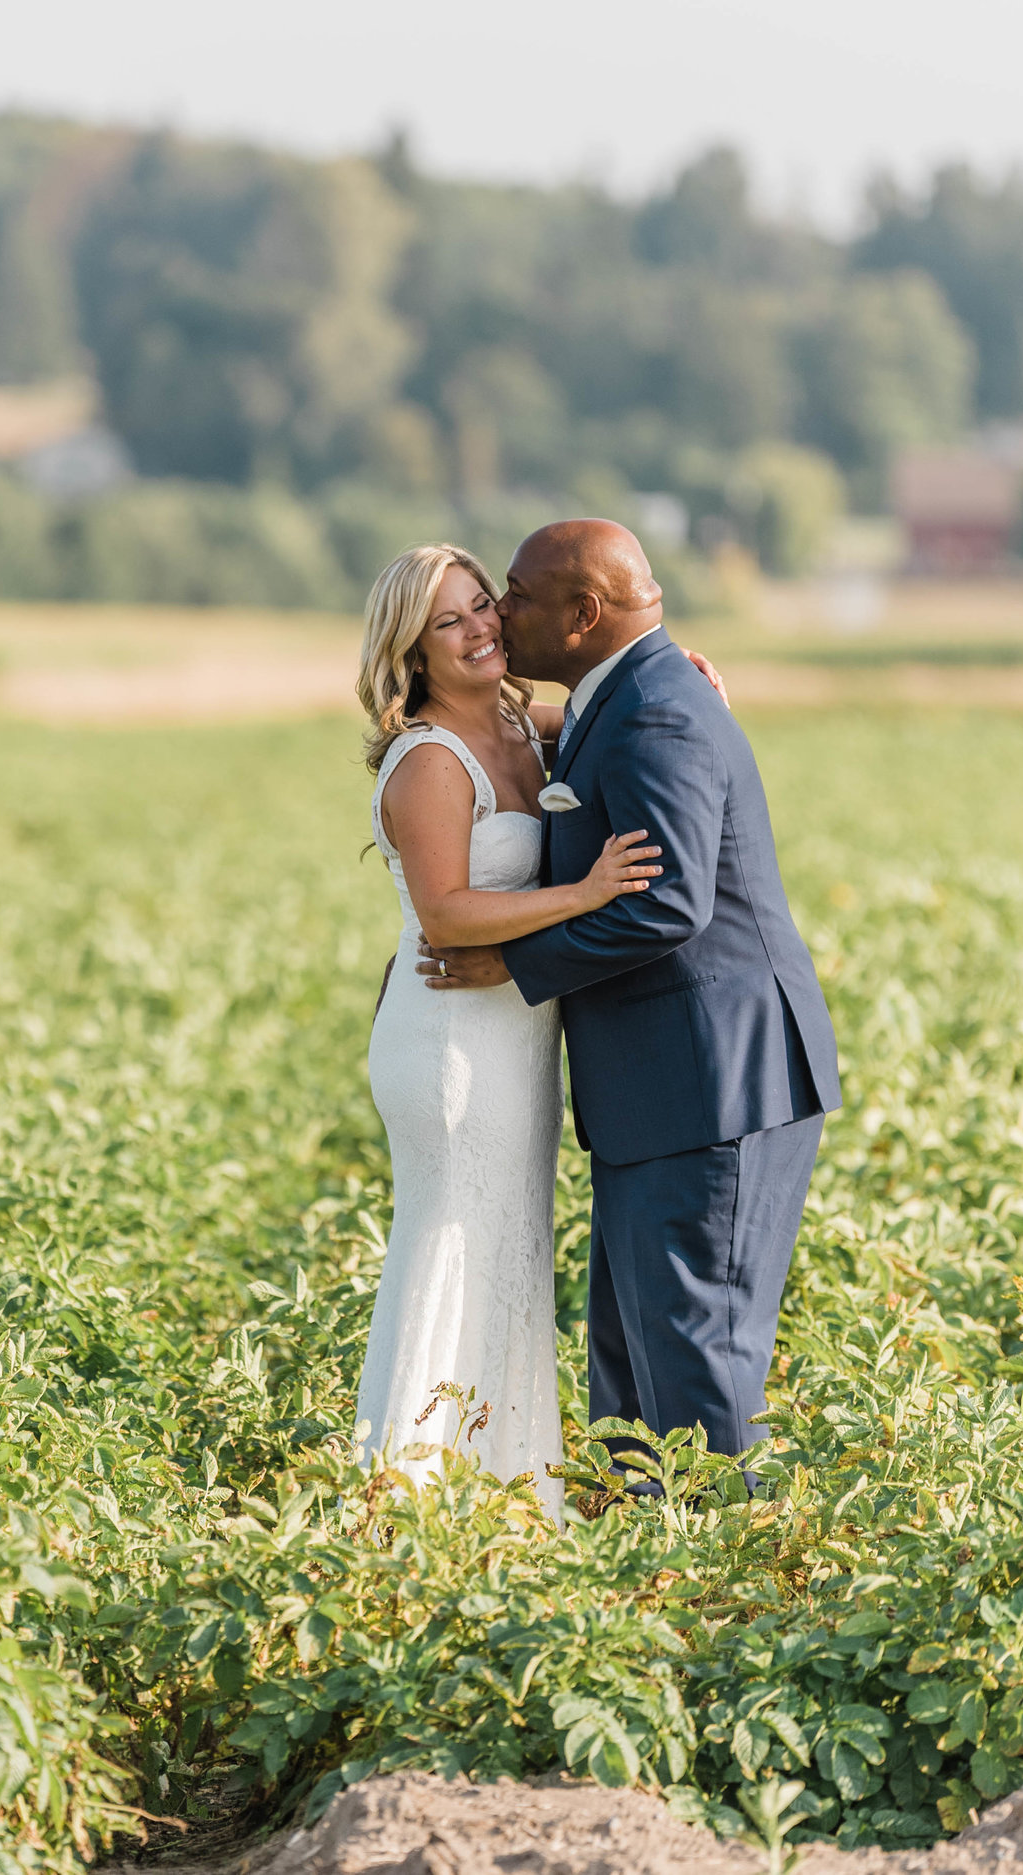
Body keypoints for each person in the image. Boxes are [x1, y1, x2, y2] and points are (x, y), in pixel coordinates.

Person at [422, 520, 839, 1492]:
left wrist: (514, 963)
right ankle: (644, 1587)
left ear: (583, 615)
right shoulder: (631, 696)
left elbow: (668, 903)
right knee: (636, 1360)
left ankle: (731, 1601)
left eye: (517, 594)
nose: (500, 613)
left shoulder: (656, 711)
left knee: (696, 1365)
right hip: (665, 1087)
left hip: (710, 1084)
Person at [352, 542, 725, 1517]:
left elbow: (632, 709)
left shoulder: (524, 725)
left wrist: (687, 684)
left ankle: (503, 1500)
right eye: (450, 621)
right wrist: (586, 891)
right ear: (412, 650)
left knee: (512, 1250)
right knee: (453, 1244)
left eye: (483, 605)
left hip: (514, 1039)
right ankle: (408, 1500)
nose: (481, 627)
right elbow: (446, 915)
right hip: (449, 1040)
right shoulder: (428, 759)